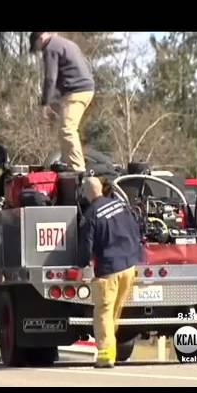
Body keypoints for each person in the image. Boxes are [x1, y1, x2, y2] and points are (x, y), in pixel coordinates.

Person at [77, 177, 142, 368]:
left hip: (109, 271)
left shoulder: (91, 214)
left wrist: (81, 265)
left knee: (103, 313)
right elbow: (137, 229)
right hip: (129, 267)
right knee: (114, 312)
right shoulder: (121, 205)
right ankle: (111, 351)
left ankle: (105, 356)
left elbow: (86, 245)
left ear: (86, 193)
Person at [30, 32, 95, 173]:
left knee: (67, 129)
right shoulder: (67, 44)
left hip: (76, 91)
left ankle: (78, 170)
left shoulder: (50, 47)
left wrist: (44, 103)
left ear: (40, 38)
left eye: (37, 47)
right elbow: (86, 65)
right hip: (86, 89)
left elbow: (50, 78)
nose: (39, 50)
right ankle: (73, 164)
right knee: (65, 129)